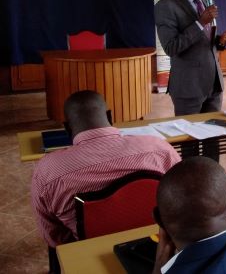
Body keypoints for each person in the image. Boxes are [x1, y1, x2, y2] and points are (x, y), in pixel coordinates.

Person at [31, 90, 181, 248]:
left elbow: (53, 236)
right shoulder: (160, 149)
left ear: (67, 128)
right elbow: (183, 199)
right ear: (109, 117)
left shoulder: (47, 171)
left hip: (90, 253)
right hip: (158, 244)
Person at [155, 0, 226, 116]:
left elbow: (205, 38)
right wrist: (200, 22)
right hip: (189, 87)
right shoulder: (166, 6)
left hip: (214, 84)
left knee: (213, 131)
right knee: (189, 132)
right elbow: (171, 47)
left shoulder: (205, 0)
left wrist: (220, 41)